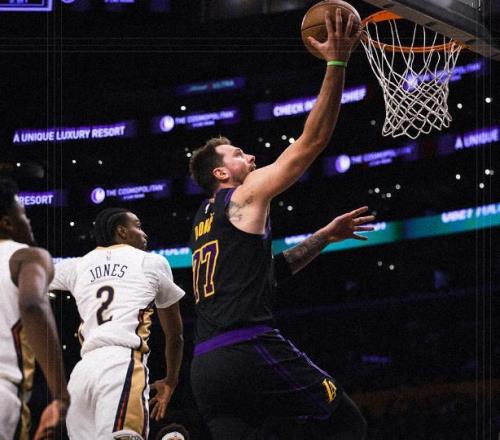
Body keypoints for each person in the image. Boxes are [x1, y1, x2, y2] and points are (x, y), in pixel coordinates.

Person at [188, 9, 370, 440]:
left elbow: (271, 273)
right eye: (239, 155)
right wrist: (337, 61)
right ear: (221, 173)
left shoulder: (201, 221)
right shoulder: (243, 195)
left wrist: (325, 236)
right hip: (248, 348)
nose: (251, 158)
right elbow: (312, 141)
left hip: (205, 369)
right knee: (347, 423)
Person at [49, 207, 185, 440]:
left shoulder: (77, 265)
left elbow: (24, 273)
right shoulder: (152, 262)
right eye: (138, 226)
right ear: (122, 231)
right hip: (121, 365)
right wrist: (171, 380)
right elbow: (175, 335)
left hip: (82, 374)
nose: (144, 233)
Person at [0, 178, 70, 440]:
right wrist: (61, 395)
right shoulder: (27, 255)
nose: (29, 223)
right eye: (24, 215)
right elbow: (32, 304)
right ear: (7, 222)